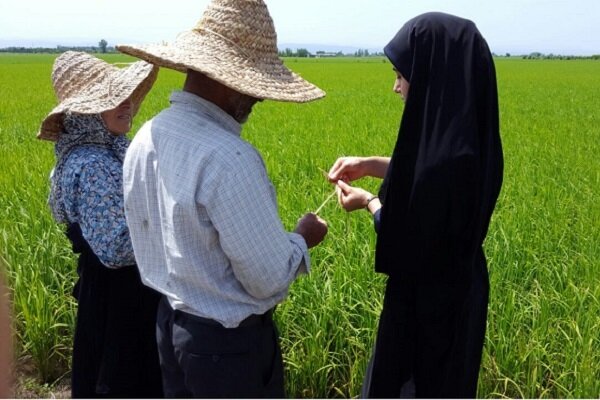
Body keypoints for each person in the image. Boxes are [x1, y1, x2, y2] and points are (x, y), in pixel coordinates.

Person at [116, 0, 328, 397]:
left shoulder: (146, 135)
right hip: (226, 351)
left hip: (170, 326)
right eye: (251, 85)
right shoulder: (229, 158)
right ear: (224, 79)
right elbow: (265, 280)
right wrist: (302, 238)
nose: (258, 98)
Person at [327, 12, 504, 398]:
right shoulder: (467, 138)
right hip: (461, 289)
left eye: (401, 74)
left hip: (430, 307)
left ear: (431, 72)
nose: (397, 86)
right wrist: (370, 165)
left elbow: (411, 233)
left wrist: (370, 202)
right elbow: (427, 176)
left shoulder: (448, 159)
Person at [37, 51, 163, 398]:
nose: (126, 105)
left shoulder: (104, 152)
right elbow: (117, 248)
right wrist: (174, 222)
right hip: (120, 301)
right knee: (121, 380)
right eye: (112, 100)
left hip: (115, 293)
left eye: (126, 96)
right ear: (86, 113)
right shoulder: (93, 165)